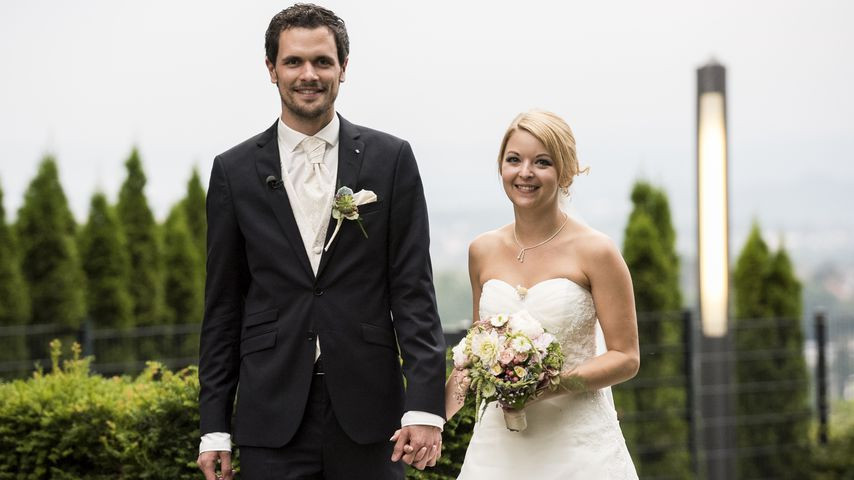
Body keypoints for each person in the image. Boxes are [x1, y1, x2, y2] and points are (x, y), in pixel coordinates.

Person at [195, 4, 446, 479]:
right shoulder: (233, 171)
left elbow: (414, 290)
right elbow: (223, 305)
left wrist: (424, 408)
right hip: (270, 414)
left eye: (322, 62)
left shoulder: (392, 159)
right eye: (293, 62)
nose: (308, 75)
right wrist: (214, 427)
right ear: (271, 69)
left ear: (343, 69)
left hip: (372, 415)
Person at [450, 110, 640, 478]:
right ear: (501, 167)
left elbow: (626, 357)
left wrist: (543, 387)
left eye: (542, 162)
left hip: (577, 448)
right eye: (514, 160)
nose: (525, 172)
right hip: (498, 449)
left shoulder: (597, 252)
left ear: (565, 172)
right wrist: (426, 420)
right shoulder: (481, 250)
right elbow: (476, 357)